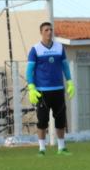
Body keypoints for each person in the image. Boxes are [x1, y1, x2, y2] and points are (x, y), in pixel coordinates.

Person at [26, 22, 75, 156]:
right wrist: (31, 87)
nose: (49, 32)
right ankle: (42, 149)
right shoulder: (35, 49)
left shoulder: (59, 48)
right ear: (41, 32)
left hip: (58, 89)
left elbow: (65, 66)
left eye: (51, 29)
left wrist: (70, 82)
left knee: (60, 120)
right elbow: (29, 70)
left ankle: (62, 147)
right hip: (42, 91)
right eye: (46, 30)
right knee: (42, 121)